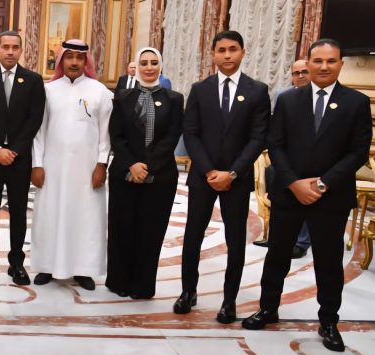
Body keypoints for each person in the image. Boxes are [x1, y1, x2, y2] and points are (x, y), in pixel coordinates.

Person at [243, 39, 372, 352]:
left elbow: (358, 152)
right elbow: (275, 144)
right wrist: (294, 183)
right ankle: (268, 308)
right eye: (318, 61)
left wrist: (323, 184)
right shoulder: (289, 100)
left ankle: (328, 321)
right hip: (289, 194)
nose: (324, 67)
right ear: (309, 63)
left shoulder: (356, 102)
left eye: (331, 61)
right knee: (277, 257)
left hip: (331, 197)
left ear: (340, 64)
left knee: (328, 263)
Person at [173, 30, 270, 324]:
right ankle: (188, 291)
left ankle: (229, 301)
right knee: (192, 237)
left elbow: (258, 137)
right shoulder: (199, 90)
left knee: (235, 241)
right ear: (213, 54)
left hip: (236, 180)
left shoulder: (257, 91)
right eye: (222, 50)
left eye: (233, 49)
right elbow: (191, 133)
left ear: (242, 52)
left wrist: (233, 172)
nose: (227, 55)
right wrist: (209, 170)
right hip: (203, 177)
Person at [30, 39, 112, 291]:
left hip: (87, 170)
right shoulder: (48, 90)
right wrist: (37, 164)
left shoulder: (100, 92)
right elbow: (39, 132)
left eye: (79, 57)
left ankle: (83, 269)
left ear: (86, 61)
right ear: (61, 60)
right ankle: (47, 265)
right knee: (49, 216)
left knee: (86, 218)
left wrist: (101, 165)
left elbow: (106, 134)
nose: (74, 62)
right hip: (52, 168)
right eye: (69, 57)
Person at [106, 47, 183, 299]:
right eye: (144, 63)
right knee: (122, 229)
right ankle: (118, 281)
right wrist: (132, 164)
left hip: (160, 177)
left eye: (153, 63)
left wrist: (147, 166)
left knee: (151, 231)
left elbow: (171, 137)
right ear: (137, 67)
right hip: (124, 174)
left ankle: (142, 286)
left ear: (160, 66)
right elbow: (116, 135)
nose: (149, 67)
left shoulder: (174, 99)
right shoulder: (122, 97)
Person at [0, 31, 45, 285]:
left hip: (19, 158)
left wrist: (15, 150)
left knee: (19, 211)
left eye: (15, 47)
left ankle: (16, 263)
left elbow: (35, 119)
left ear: (21, 50)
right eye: (5, 47)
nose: (10, 51)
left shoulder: (33, 80)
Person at [257, 59, 311, 257]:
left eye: (304, 71)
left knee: (305, 197)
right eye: (296, 73)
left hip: (310, 163)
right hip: (283, 159)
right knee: (275, 189)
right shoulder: (283, 95)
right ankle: (274, 236)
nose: (300, 76)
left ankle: (301, 242)